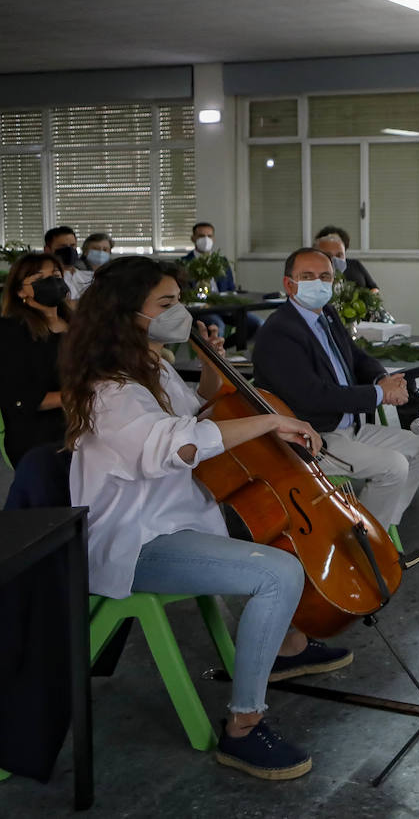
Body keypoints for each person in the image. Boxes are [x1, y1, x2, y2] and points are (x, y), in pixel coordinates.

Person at [62, 256, 351, 780]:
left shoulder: (153, 364)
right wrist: (270, 419)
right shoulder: (111, 390)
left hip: (181, 519)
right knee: (276, 571)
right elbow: (180, 447)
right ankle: (243, 726)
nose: (182, 313)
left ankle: (283, 646)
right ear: (126, 315)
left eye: (179, 300)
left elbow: (199, 415)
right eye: (166, 305)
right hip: (137, 539)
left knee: (286, 542)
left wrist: (218, 372)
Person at [251, 248, 419, 528]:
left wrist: (381, 379)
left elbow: (356, 355)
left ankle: (382, 527)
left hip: (347, 429)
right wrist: (380, 394)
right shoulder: (280, 331)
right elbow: (313, 397)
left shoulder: (327, 314)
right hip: (315, 438)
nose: (318, 282)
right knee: (394, 466)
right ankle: (364, 543)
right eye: (307, 276)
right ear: (289, 284)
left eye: (325, 276)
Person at [0, 254, 70, 464]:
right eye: (40, 278)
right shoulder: (9, 331)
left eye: (56, 275)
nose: (52, 282)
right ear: (21, 290)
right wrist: (75, 397)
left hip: (88, 423)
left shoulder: (79, 325)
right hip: (41, 435)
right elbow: (17, 397)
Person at [182, 221, 262, 345]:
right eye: (201, 236)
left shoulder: (222, 261)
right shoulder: (184, 263)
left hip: (224, 307)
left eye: (209, 236)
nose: (206, 239)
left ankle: (224, 348)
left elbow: (231, 289)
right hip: (200, 310)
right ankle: (215, 357)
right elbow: (184, 294)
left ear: (213, 238)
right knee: (217, 326)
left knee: (256, 324)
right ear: (193, 238)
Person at [315, 225, 379, 292]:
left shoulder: (355, 264)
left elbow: (373, 287)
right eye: (328, 255)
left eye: (339, 255)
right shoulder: (314, 272)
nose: (334, 259)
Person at [44, 225, 92, 301]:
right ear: (47, 250)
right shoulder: (43, 280)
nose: (69, 250)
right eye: (63, 247)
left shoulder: (90, 277)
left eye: (72, 246)